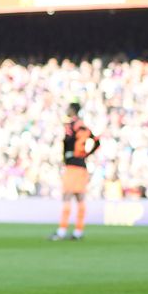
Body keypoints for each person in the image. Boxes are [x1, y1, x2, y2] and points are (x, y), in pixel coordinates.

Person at [56, 102, 101, 240]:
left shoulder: (70, 126)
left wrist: (65, 157)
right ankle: (78, 231)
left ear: (73, 110)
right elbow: (97, 142)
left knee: (67, 197)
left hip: (72, 166)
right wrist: (86, 155)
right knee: (80, 198)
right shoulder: (84, 126)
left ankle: (62, 231)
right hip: (82, 165)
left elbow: (67, 141)